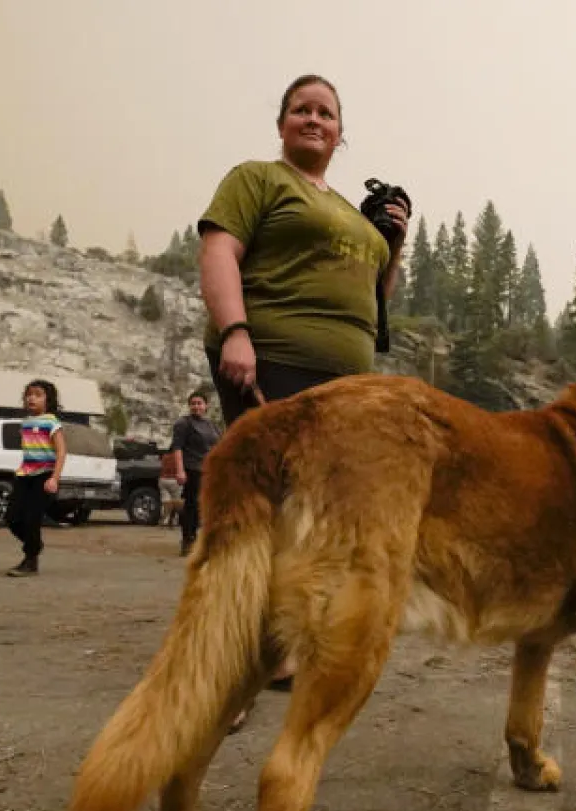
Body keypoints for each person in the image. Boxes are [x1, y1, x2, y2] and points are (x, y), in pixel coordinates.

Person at [194, 73, 409, 703]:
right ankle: (221, 667)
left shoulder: (348, 210)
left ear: (341, 135)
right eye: (301, 109)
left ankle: (278, 648)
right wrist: (235, 330)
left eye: (327, 114)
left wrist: (393, 246)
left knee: (310, 520)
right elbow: (219, 252)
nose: (314, 120)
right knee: (256, 514)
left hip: (346, 383)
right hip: (272, 362)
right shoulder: (257, 179)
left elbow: (378, 300)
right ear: (283, 123)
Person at [6, 379, 66, 578]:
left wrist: (55, 478)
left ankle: (30, 561)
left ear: (48, 400)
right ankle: (35, 544)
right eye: (29, 394)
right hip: (24, 475)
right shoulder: (25, 423)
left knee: (32, 518)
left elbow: (61, 451)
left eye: (38, 394)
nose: (32, 398)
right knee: (12, 518)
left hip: (44, 475)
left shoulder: (51, 421)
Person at [168, 391, 222, 558]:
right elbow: (177, 448)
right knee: (192, 506)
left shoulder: (212, 425)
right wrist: (180, 470)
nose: (196, 406)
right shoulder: (183, 423)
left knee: (207, 506)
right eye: (193, 403)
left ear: (206, 406)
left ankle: (204, 541)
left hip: (209, 471)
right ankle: (188, 541)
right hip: (192, 469)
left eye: (199, 403)